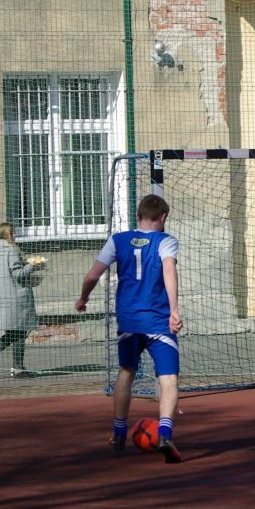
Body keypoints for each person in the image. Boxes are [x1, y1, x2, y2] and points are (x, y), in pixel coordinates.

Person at [75, 195, 184, 464]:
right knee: (168, 378)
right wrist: (174, 309)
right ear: (163, 217)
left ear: (137, 215)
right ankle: (165, 434)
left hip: (129, 321)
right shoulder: (165, 240)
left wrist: (83, 298)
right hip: (158, 321)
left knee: (126, 373)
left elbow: (93, 275)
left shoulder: (117, 240)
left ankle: (118, 433)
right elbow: (169, 270)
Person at [0, 222, 45, 379]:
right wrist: (33, 265)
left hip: (2, 298)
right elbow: (17, 274)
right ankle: (5, 362)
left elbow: (8, 272)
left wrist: (25, 264)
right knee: (19, 331)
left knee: (15, 333)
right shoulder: (11, 250)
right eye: (12, 233)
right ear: (7, 235)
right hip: (16, 299)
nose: (15, 235)